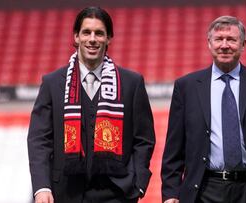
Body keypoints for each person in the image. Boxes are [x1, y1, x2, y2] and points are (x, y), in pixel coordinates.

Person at [27, 7, 155, 203]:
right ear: (76, 37)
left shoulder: (131, 82)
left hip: (117, 193)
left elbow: (144, 139)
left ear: (109, 38)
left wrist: (138, 182)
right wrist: (41, 187)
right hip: (64, 192)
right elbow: (39, 140)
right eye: (86, 32)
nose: (92, 39)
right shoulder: (52, 83)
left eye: (99, 33)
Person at [161, 16, 246, 203]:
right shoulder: (187, 87)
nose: (224, 45)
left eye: (231, 39)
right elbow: (174, 147)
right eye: (218, 39)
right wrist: (171, 193)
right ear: (209, 43)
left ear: (243, 44)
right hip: (203, 190)